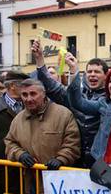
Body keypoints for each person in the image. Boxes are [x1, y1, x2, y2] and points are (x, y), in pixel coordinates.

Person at [5, 79, 80, 194]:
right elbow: (10, 142)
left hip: (59, 189)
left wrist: (61, 158)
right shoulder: (18, 119)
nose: (28, 98)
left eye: (33, 94)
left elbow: (72, 143)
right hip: (30, 188)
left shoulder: (63, 114)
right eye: (24, 94)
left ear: (43, 93)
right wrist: (19, 154)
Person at [31, 40, 107, 168]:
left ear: (106, 75)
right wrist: (39, 59)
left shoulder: (109, 99)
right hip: (75, 157)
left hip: (100, 160)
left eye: (97, 72)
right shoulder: (74, 94)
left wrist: (73, 71)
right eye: (89, 72)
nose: (92, 75)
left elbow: (81, 103)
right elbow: (51, 87)